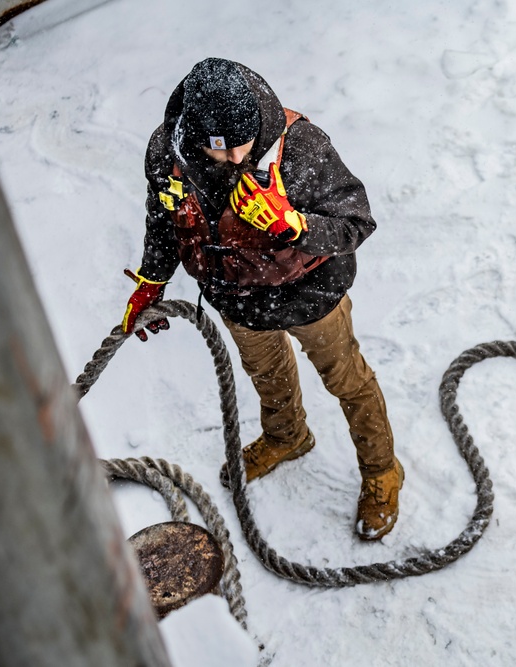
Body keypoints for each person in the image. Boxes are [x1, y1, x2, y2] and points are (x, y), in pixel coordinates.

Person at [121, 57, 403, 541]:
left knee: (347, 380)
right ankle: (286, 436)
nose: (234, 160)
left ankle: (381, 470)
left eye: (241, 147)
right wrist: (153, 278)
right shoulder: (167, 154)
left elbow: (357, 223)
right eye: (220, 151)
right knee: (268, 375)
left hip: (312, 295)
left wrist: (295, 225)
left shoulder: (299, 148)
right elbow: (164, 218)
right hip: (237, 299)